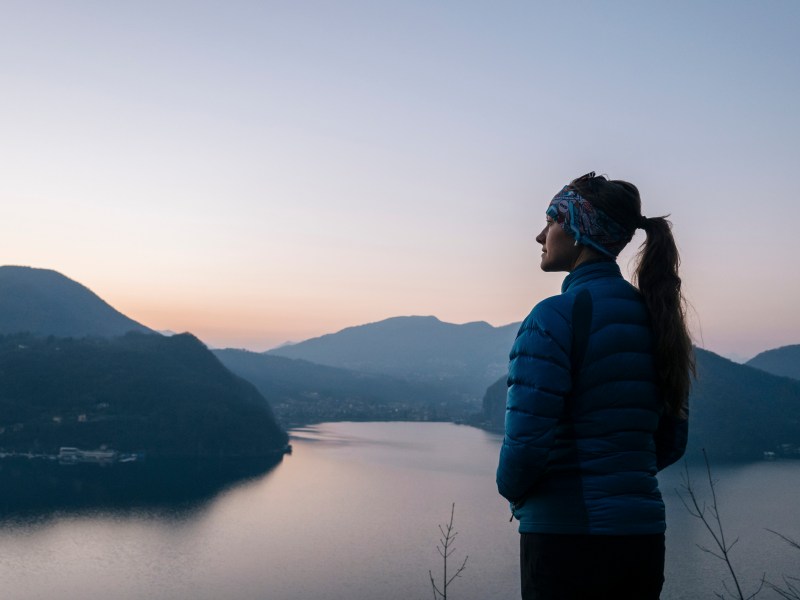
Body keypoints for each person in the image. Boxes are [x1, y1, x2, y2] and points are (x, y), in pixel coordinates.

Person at [496, 172, 693, 600]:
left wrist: (516, 493)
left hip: (567, 540)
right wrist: (618, 478)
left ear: (580, 229)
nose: (539, 235)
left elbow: (525, 446)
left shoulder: (555, 317)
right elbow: (672, 441)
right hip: (642, 540)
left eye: (551, 220)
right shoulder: (660, 322)